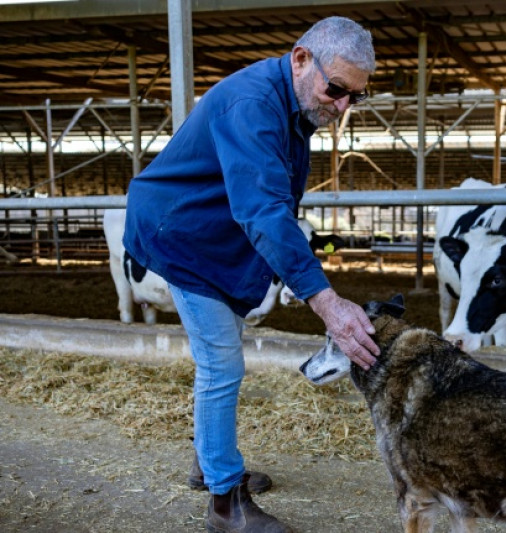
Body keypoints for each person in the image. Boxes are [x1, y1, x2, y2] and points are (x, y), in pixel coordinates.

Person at [122, 17, 379, 533]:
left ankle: (208, 459)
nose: (344, 106)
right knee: (222, 363)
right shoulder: (254, 105)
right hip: (182, 233)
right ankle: (225, 503)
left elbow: (272, 204)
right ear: (302, 59)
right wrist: (326, 302)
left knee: (219, 357)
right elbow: (262, 211)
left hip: (210, 229)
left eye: (356, 96)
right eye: (337, 89)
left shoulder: (296, 107)